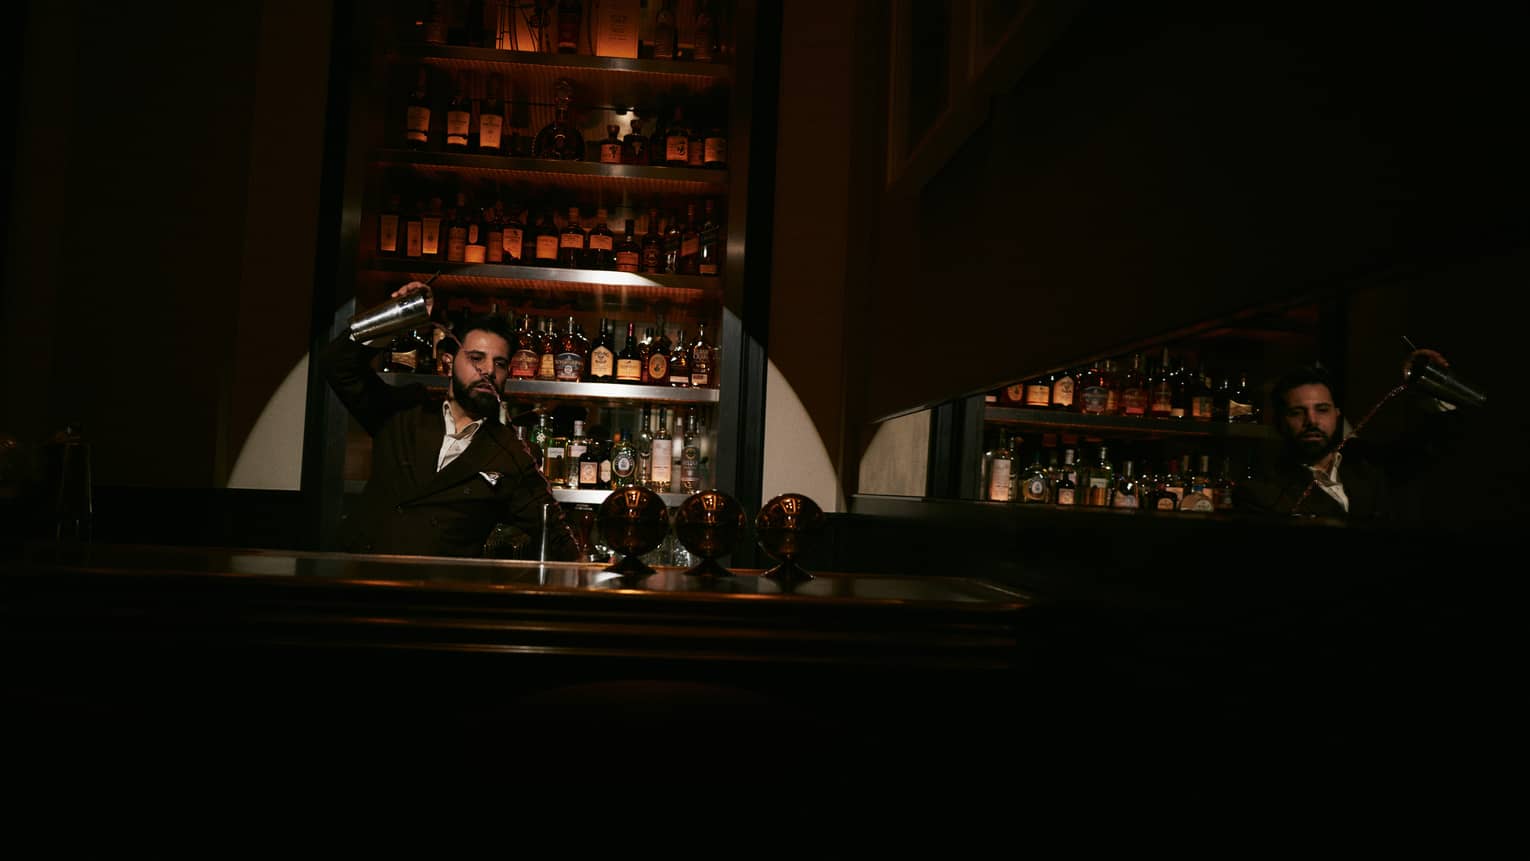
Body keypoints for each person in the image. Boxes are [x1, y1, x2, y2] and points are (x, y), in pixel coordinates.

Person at [320, 280, 579, 559]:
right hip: (364, 577)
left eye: (500, 363)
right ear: (448, 362)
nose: (489, 370)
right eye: (476, 358)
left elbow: (558, 539)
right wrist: (401, 313)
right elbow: (337, 364)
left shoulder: (509, 453)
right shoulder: (405, 410)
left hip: (442, 584)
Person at [1233, 348, 1462, 519]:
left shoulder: (1368, 462)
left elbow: (1432, 445)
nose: (1312, 421)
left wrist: (1435, 385)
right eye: (1297, 412)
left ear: (1337, 414)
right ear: (1280, 422)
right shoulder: (1261, 493)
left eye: (1322, 409)